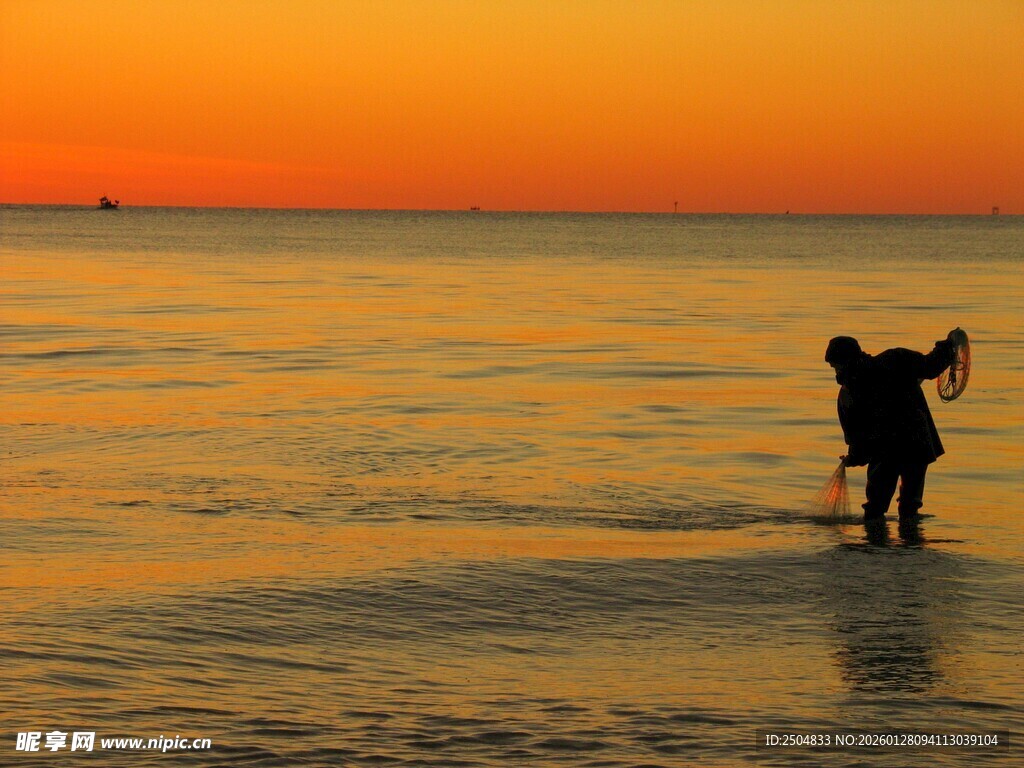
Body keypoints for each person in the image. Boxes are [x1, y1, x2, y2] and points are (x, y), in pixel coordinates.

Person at [824, 332, 956, 520]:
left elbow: (857, 438)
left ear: (842, 363)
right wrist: (947, 346)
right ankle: (911, 544)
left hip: (884, 453)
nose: (835, 371)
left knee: (875, 508)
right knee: (910, 506)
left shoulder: (847, 394)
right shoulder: (896, 359)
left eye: (834, 365)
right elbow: (931, 366)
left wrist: (853, 458)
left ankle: (876, 544)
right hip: (916, 445)